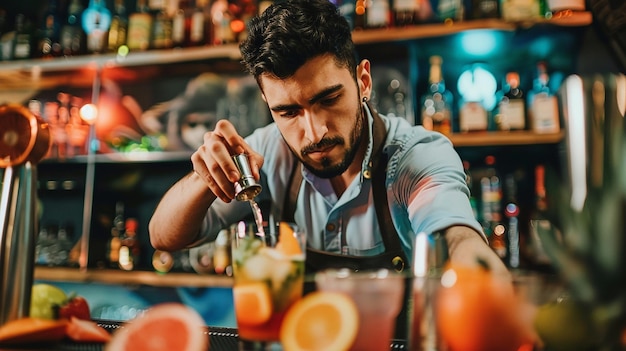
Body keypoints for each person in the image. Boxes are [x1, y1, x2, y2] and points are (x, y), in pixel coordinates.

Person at [149, 0, 508, 278]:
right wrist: (203, 177)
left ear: (362, 81)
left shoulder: (415, 157)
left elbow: (457, 235)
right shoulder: (266, 153)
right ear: (269, 105)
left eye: (328, 99)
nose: (314, 132)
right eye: (288, 112)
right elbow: (164, 237)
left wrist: (481, 280)